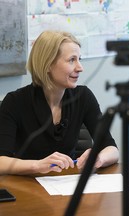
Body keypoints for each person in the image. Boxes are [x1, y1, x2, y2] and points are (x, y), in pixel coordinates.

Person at [0, 30, 119, 175]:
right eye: (71, 60)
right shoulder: (15, 102)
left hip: (66, 183)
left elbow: (112, 149)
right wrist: (36, 165)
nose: (80, 67)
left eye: (79, 59)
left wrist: (99, 157)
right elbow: (1, 161)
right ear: (48, 64)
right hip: (26, 186)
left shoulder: (83, 96)